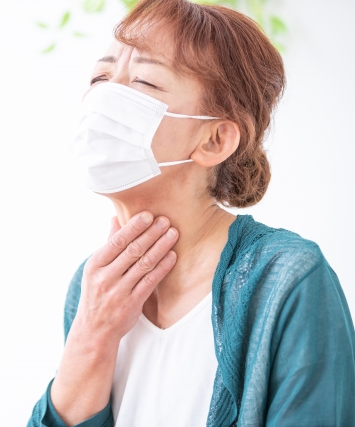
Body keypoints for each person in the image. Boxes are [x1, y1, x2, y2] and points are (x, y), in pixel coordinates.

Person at [27, 0, 355, 426]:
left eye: (143, 81)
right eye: (100, 78)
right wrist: (92, 335)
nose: (105, 98)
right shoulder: (95, 287)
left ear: (215, 140)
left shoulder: (287, 280)